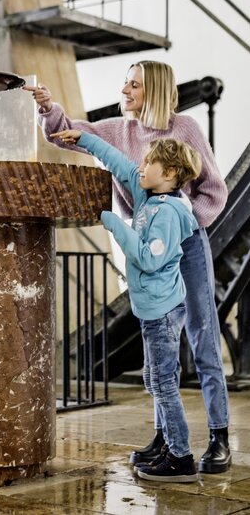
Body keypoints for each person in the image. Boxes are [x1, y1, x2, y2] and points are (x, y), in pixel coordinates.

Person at [24, 60, 231, 474]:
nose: (126, 89)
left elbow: (215, 189)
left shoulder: (185, 128)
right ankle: (165, 437)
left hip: (186, 244)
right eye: (125, 82)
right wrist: (48, 108)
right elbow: (71, 135)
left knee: (203, 335)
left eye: (134, 84)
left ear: (153, 89)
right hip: (149, 246)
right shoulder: (120, 130)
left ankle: (219, 437)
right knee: (158, 348)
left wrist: (186, 222)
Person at [51, 130, 201, 481]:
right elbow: (119, 163)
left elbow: (149, 259)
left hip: (164, 312)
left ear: (169, 175)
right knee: (154, 379)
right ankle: (165, 442)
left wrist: (114, 223)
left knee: (163, 383)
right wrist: (84, 139)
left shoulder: (167, 214)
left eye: (150, 162)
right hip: (152, 310)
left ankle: (181, 457)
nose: (141, 166)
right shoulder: (148, 196)